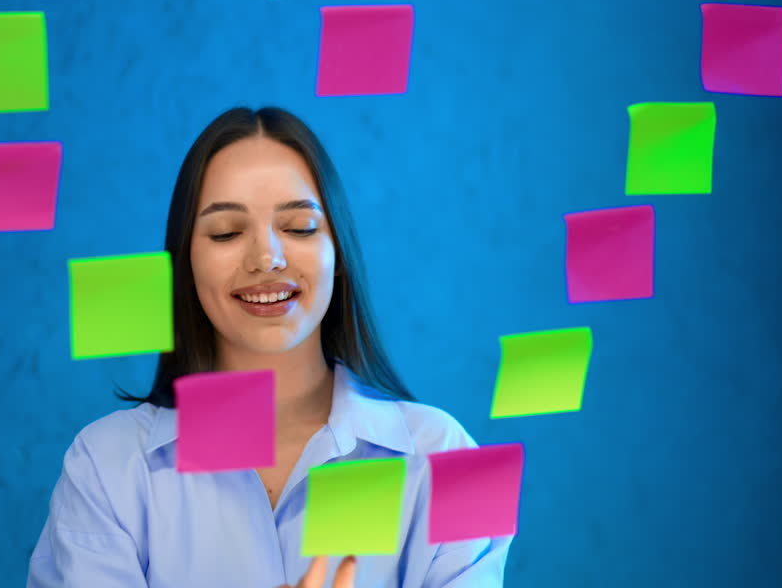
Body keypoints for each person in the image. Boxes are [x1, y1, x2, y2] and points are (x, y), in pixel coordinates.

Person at [26, 107, 512, 587]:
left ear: (338, 252)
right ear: (186, 262)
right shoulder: (107, 466)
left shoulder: (444, 458)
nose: (266, 258)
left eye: (299, 228)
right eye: (226, 232)